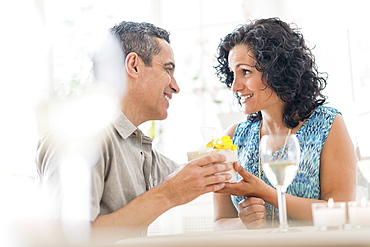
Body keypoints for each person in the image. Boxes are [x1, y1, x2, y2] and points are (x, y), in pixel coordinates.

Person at [35, 21, 232, 243]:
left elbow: (184, 176)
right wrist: (168, 195)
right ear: (134, 65)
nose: (176, 87)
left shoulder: (137, 148)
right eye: (168, 69)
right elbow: (65, 240)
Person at [213, 18, 356, 230]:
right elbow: (219, 223)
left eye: (245, 72)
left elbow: (341, 213)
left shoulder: (328, 124)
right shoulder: (233, 137)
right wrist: (246, 224)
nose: (235, 86)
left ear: (276, 70)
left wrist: (267, 194)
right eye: (233, 74)